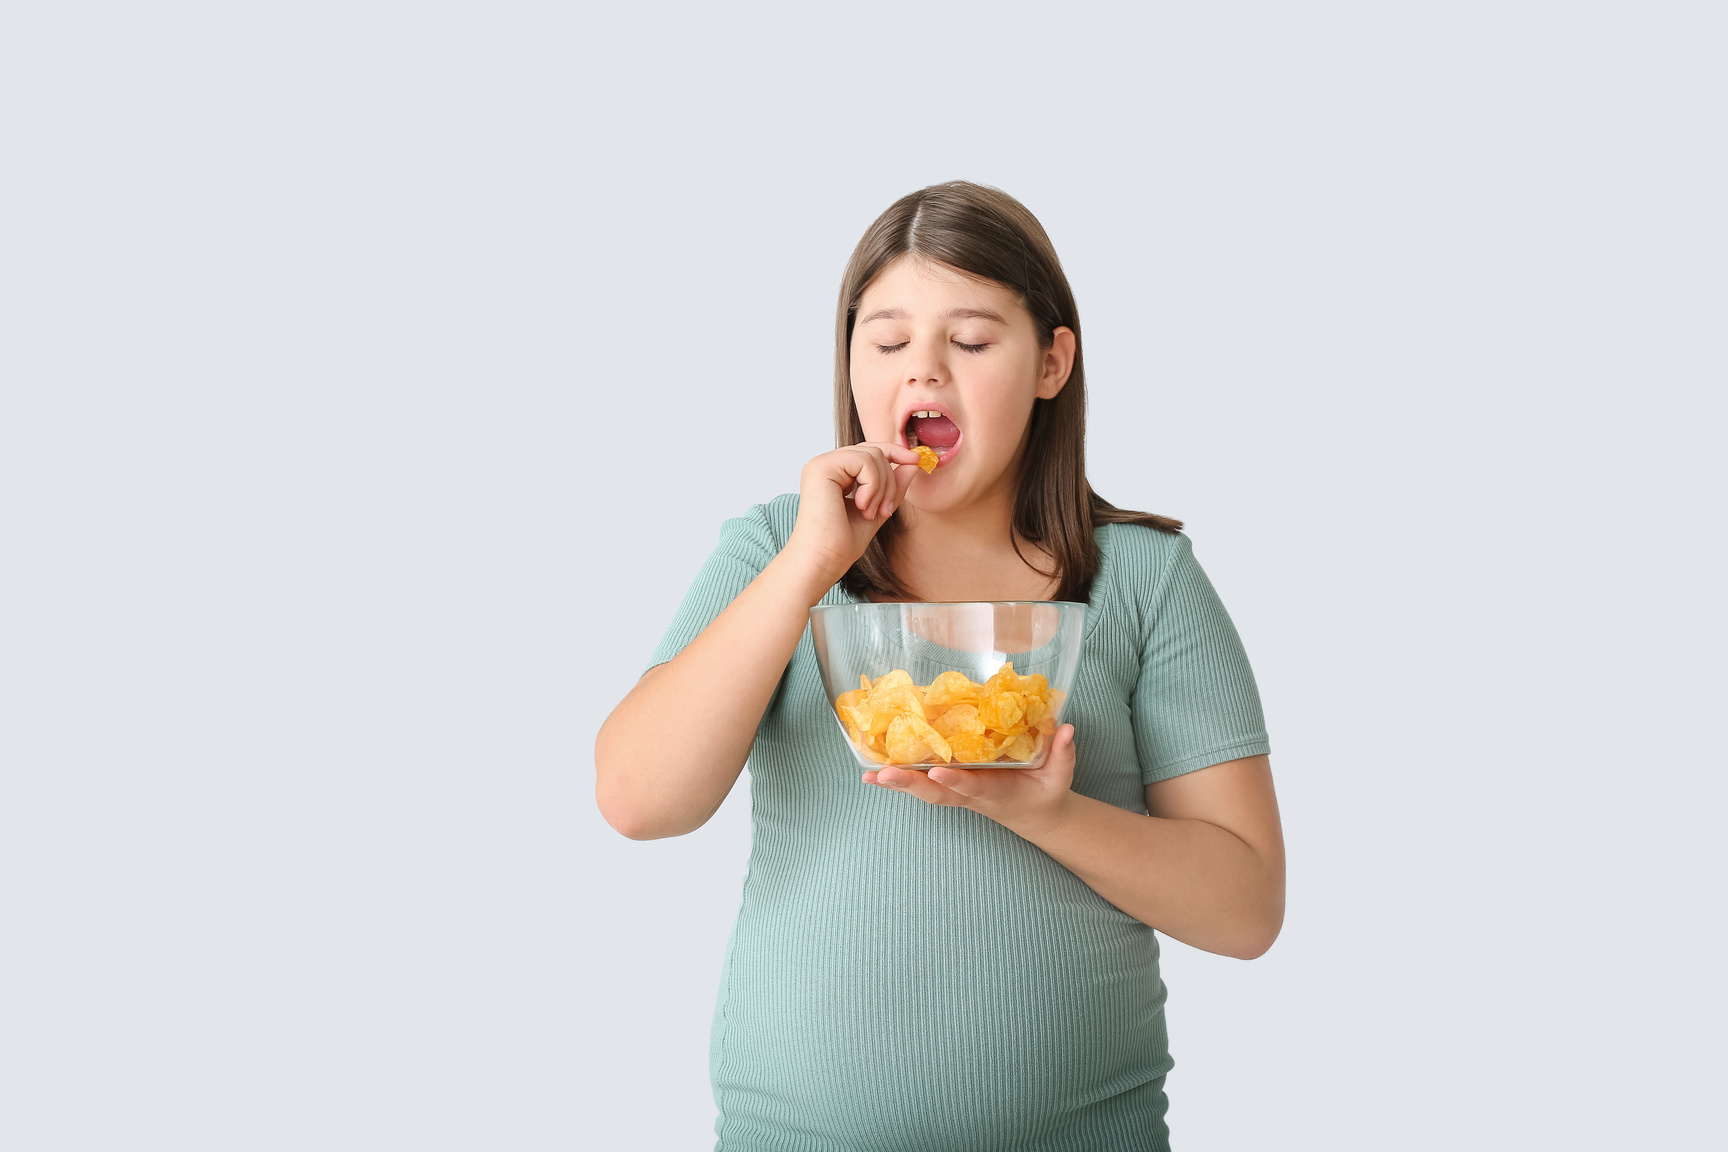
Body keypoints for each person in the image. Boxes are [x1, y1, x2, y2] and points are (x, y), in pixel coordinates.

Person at [594, 181, 1284, 1151]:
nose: (924, 373)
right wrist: (809, 567)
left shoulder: (1143, 580)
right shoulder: (774, 552)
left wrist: (1045, 813)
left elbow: (1246, 905)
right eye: (886, 342)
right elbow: (636, 799)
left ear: (1052, 362)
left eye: (969, 342)